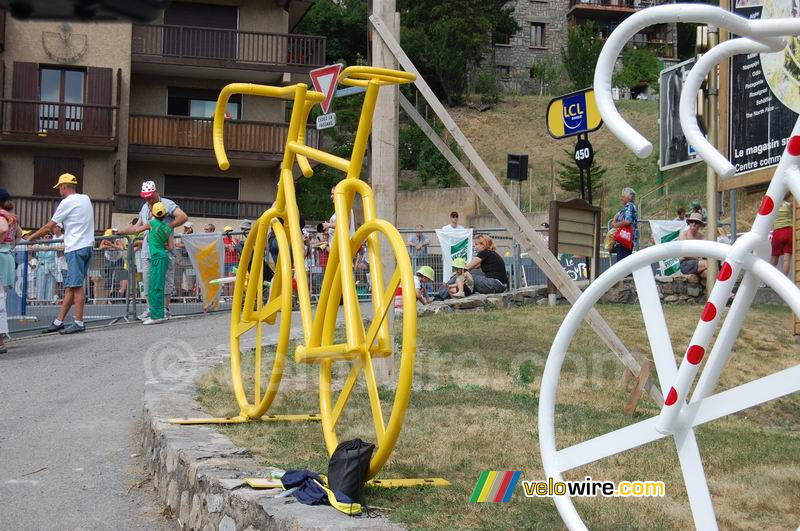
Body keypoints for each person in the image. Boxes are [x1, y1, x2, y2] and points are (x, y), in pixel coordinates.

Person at [26, 173, 95, 334]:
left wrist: (32, 237)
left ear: (64, 187)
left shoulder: (66, 202)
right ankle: (59, 321)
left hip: (75, 247)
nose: (59, 191)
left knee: (76, 286)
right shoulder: (85, 198)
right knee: (70, 286)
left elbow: (49, 226)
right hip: (87, 246)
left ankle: (79, 322)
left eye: (60, 188)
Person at [118, 181, 188, 320]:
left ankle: (165, 309)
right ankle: (150, 309)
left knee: (165, 279)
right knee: (147, 280)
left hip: (163, 250)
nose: (148, 199)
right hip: (147, 250)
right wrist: (122, 231)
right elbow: (138, 226)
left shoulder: (166, 204)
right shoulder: (145, 207)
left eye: (150, 196)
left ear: (156, 192)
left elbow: (183, 216)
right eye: (146, 197)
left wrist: (166, 228)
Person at [140, 202, 173, 324]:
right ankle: (157, 314)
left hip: (156, 257)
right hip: (162, 256)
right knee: (156, 286)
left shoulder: (151, 224)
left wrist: (122, 232)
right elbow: (170, 247)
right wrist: (161, 244)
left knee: (155, 286)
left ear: (153, 213)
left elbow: (137, 229)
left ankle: (157, 316)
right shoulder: (168, 228)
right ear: (165, 214)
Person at [0, 188, 22, 353]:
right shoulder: (13, 218)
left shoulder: (1, 215)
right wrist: (10, 246)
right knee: (1, 298)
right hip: (7, 256)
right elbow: (19, 235)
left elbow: (2, 229)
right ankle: (1, 339)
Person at [611, 187, 638, 262]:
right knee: (626, 262)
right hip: (627, 239)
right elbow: (618, 215)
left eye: (623, 196)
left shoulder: (629, 206)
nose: (621, 198)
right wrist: (615, 219)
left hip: (624, 238)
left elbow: (628, 221)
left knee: (622, 262)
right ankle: (628, 274)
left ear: (629, 198)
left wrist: (616, 225)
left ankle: (626, 274)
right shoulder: (628, 207)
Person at [678, 212, 708, 278]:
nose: (694, 224)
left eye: (696, 222)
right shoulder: (683, 235)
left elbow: (708, 251)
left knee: (709, 273)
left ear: (700, 224)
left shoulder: (702, 237)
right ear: (689, 223)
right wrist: (698, 258)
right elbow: (684, 253)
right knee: (709, 264)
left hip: (700, 264)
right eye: (692, 221)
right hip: (686, 264)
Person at [100, 228, 127, 302]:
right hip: (108, 259)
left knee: (117, 279)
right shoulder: (105, 239)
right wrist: (111, 246)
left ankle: (116, 298)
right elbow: (101, 247)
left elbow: (121, 247)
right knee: (107, 280)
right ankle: (106, 300)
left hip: (118, 259)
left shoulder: (117, 239)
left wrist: (111, 245)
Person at [770, 195, 793, 276]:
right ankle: (784, 281)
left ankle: (770, 279)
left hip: (777, 232)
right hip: (790, 232)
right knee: (786, 260)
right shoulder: (789, 205)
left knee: (774, 260)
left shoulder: (773, 206)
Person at [32, 232, 58, 303]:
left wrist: (50, 247)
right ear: (43, 238)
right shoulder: (39, 245)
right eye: (46, 237)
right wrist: (43, 248)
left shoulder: (54, 245)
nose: (48, 239)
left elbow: (61, 248)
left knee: (50, 286)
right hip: (41, 267)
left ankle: (48, 301)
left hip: (51, 268)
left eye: (49, 237)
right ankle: (40, 301)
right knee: (40, 285)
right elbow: (32, 248)